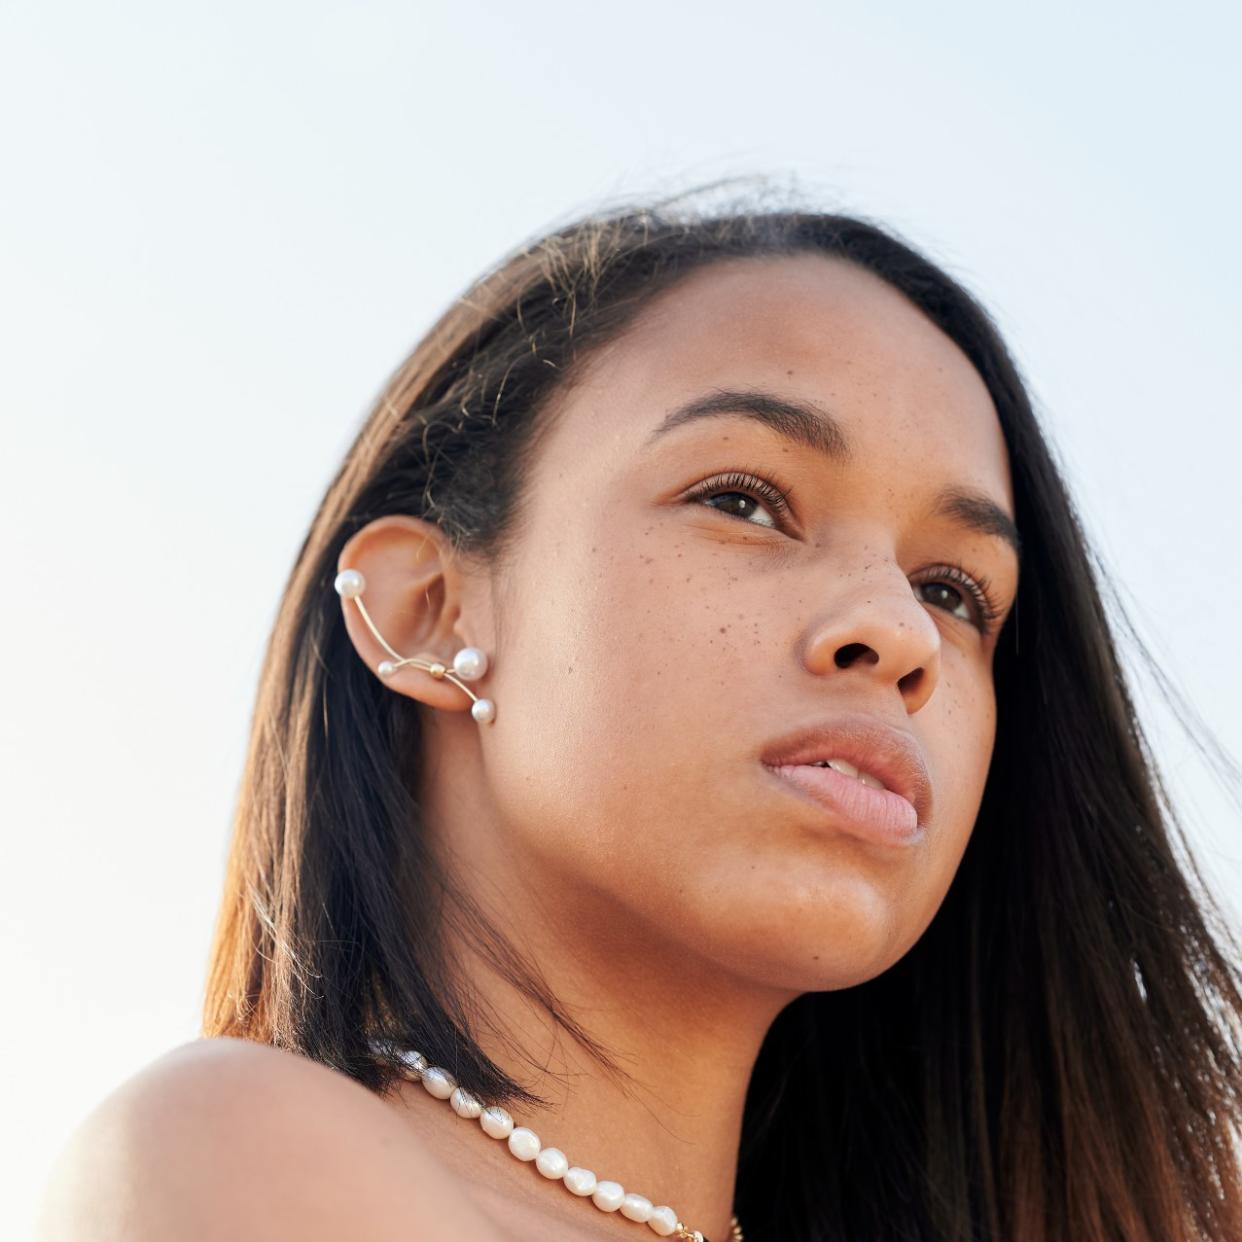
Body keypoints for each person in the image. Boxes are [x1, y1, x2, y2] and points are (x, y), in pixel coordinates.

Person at [37, 193, 1242, 1241]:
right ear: (428, 610)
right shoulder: (236, 1148)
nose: (903, 632)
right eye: (746, 500)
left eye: (955, 589)